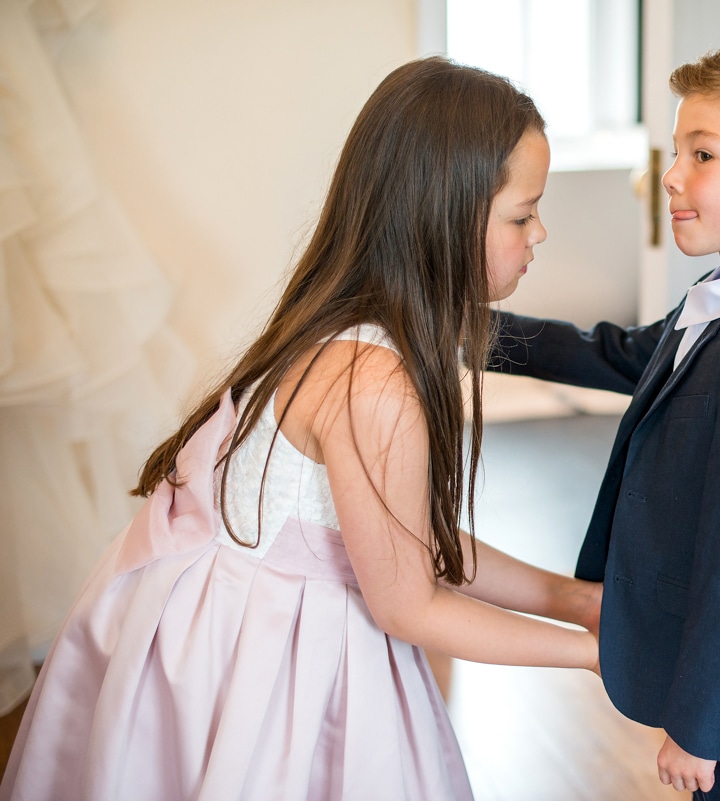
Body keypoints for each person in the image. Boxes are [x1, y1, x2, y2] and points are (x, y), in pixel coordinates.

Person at [0, 57, 600, 801]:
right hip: (275, 662)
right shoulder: (371, 381)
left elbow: (407, 540)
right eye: (523, 213)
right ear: (443, 210)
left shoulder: (347, 329)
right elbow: (406, 600)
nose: (539, 232)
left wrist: (575, 600)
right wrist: (589, 654)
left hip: (228, 632)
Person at [489, 43, 720, 800]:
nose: (670, 175)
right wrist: (476, 334)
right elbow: (619, 354)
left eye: (703, 155)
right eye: (676, 151)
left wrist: (700, 724)